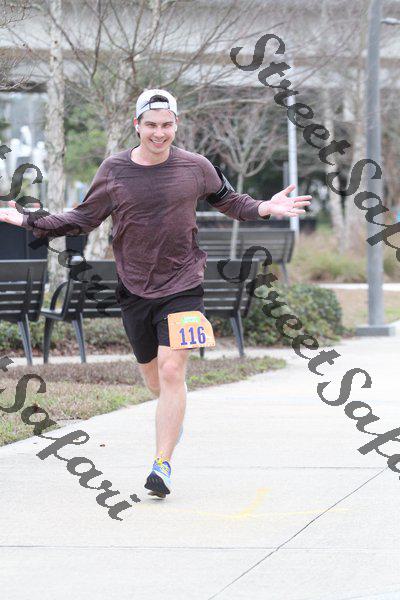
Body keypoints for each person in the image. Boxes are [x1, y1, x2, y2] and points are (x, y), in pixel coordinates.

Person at [0, 89, 311, 499]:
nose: (159, 133)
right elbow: (83, 219)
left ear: (176, 125)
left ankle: (161, 464)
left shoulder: (196, 167)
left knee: (171, 371)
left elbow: (232, 202)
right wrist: (28, 220)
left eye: (166, 125)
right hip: (134, 287)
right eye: (151, 125)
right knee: (153, 378)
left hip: (184, 285)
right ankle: (172, 414)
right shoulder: (114, 170)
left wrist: (265, 208)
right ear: (137, 126)